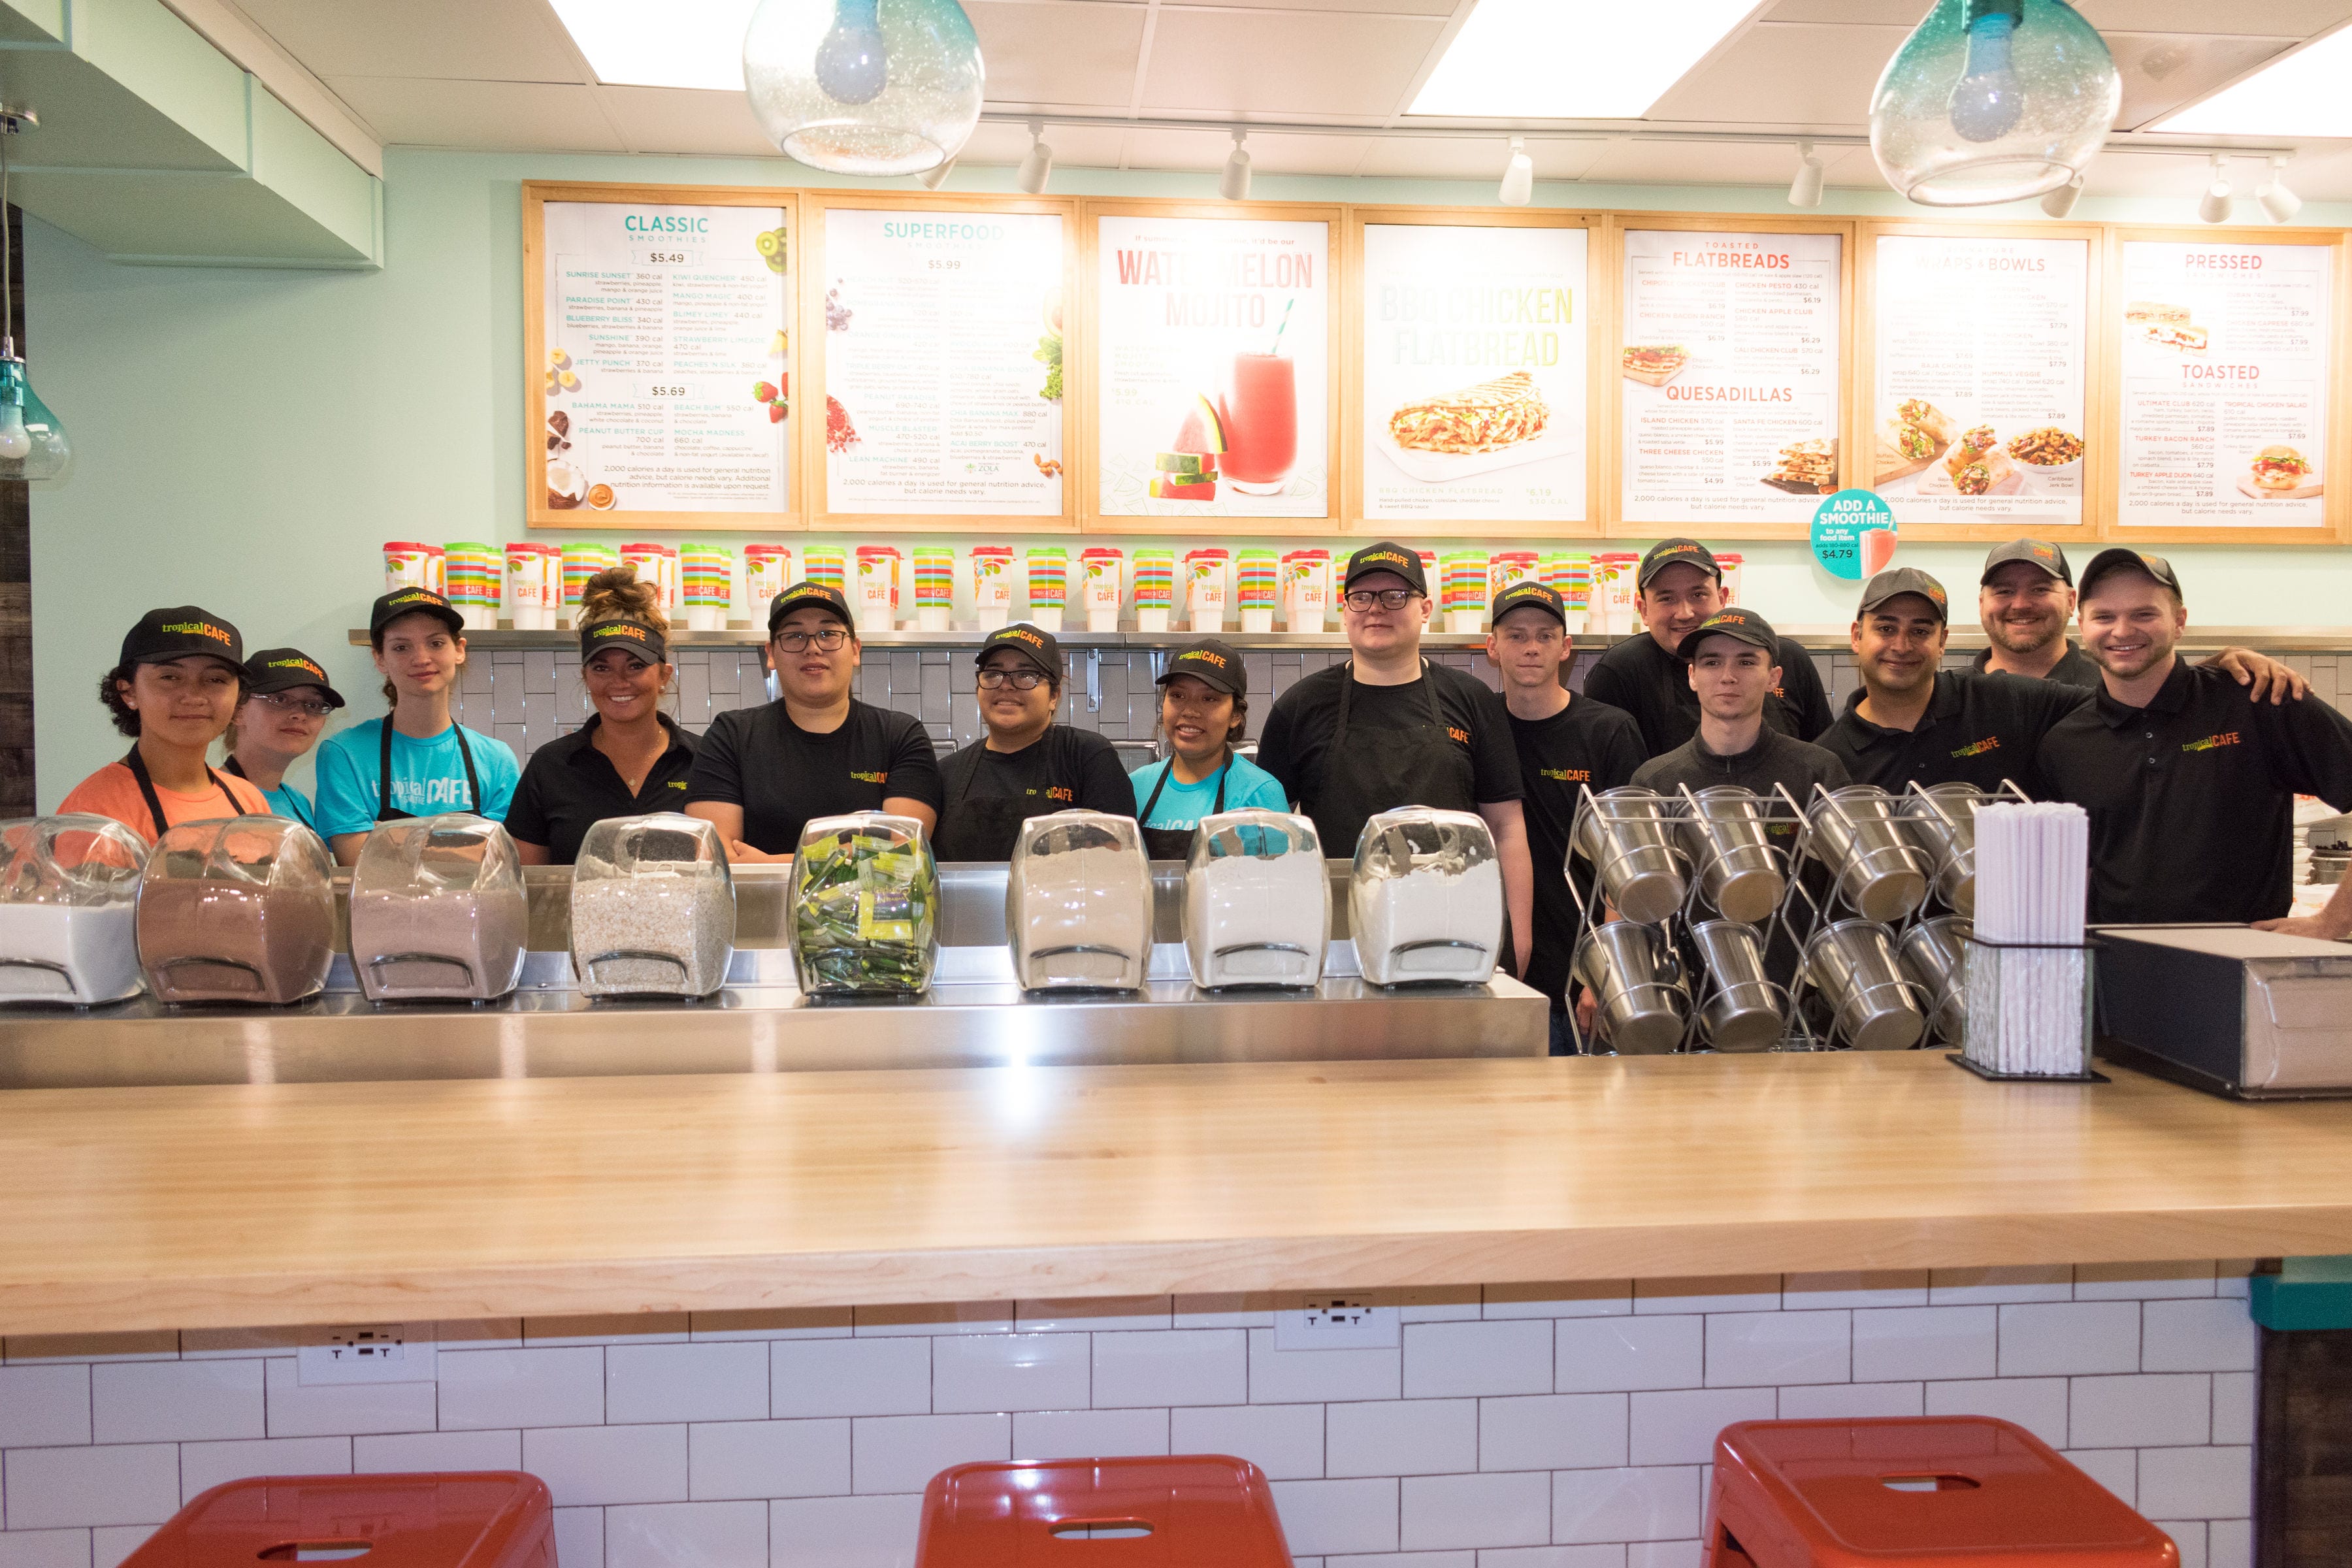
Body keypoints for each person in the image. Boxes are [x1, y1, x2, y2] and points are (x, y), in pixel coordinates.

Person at [1256, 541, 1535, 977]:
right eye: (1362, 596)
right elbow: (1270, 838)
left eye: (1395, 596)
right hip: (1338, 935)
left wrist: (1518, 936)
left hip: (1457, 925)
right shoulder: (1300, 707)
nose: (1376, 609)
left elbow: (1506, 827)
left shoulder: (1471, 700)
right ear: (1344, 609)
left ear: (1424, 609)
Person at [2034, 549, 2352, 933]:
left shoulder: (2259, 703)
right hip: (2116, 970)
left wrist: (2333, 920)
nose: (2122, 631)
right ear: (2082, 626)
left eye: (2144, 614)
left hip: (2242, 969)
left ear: (2180, 622)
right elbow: (2072, 872)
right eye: (2105, 617)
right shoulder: (2065, 743)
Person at [1824, 566, 2310, 797]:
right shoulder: (1830, 758)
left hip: (2017, 943)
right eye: (1886, 628)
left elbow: (2132, 699)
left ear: (1944, 640)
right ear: (1856, 636)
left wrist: (2213, 671)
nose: (1902, 646)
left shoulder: (2005, 700)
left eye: (1921, 630)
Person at [1484, 580, 1646, 1051]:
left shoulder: (1609, 730)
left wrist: (1608, 972)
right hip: (1497, 976)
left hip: (1581, 982)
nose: (1531, 648)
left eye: (1545, 635)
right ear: (1492, 647)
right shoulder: (1479, 727)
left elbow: (1627, 856)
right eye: (1515, 635)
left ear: (1566, 648)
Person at [685, 580, 941, 861]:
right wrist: (852, 856)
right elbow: (715, 857)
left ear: (855, 650)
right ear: (770, 654)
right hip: (760, 907)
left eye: (828, 633)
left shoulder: (900, 736)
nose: (813, 648)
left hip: (871, 907)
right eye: (795, 636)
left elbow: (902, 853)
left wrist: (774, 864)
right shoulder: (731, 735)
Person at [312, 587, 520, 864]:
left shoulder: (496, 759)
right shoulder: (344, 753)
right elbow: (356, 860)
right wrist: (464, 845)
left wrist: (388, 838)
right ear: (380, 659)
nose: (421, 659)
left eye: (436, 643)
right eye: (401, 647)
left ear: (459, 650)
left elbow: (499, 858)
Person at [508, 567, 699, 866]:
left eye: (635, 665)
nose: (619, 681)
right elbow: (528, 885)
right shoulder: (551, 767)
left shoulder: (705, 761)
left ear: (664, 674)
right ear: (585, 676)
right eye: (601, 667)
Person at [1583, 538, 1833, 757]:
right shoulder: (1619, 671)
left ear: (1722, 599)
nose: (1685, 613)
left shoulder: (1786, 658)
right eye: (1667, 598)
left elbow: (1822, 759)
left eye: (1698, 595)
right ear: (1644, 611)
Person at [60, 606, 269, 840]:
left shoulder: (249, 800)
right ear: (128, 692)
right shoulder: (95, 813)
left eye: (216, 679)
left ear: (238, 696)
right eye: (170, 677)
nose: (194, 697)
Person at [934, 623, 1136, 861]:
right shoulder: (946, 773)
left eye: (1026, 675)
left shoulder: (1087, 757)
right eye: (993, 674)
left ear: (1054, 696)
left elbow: (1117, 863)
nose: (1006, 685)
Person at [1632, 608, 1850, 804]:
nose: (1728, 677)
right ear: (1692, 676)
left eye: (1746, 663)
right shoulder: (1654, 783)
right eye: (1712, 663)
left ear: (1773, 678)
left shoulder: (1819, 773)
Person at [1126, 636, 1288, 860]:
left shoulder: (1260, 792)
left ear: (1235, 715)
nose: (1190, 711)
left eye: (1209, 699)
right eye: (1178, 695)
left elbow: (1282, 885)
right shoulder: (1135, 786)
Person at [220, 647, 344, 829]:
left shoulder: (298, 801)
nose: (300, 714)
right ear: (237, 710)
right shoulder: (210, 796)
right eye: (280, 700)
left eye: (313, 704)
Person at [1974, 538, 2100, 686]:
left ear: (2071, 602)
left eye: (2040, 590)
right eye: (2004, 591)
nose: (2020, 605)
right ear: (1982, 605)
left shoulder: (2113, 691)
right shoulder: (1950, 695)